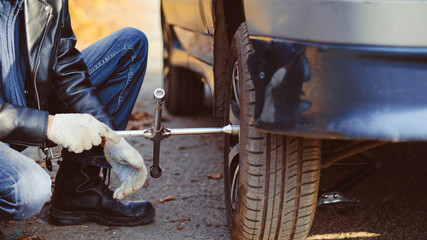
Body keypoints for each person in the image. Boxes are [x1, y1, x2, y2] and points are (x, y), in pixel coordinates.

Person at [0, 0, 155, 226]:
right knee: (30, 190)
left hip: (26, 99)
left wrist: (108, 136)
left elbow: (65, 66)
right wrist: (50, 125)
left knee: (129, 45)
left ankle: (79, 189)